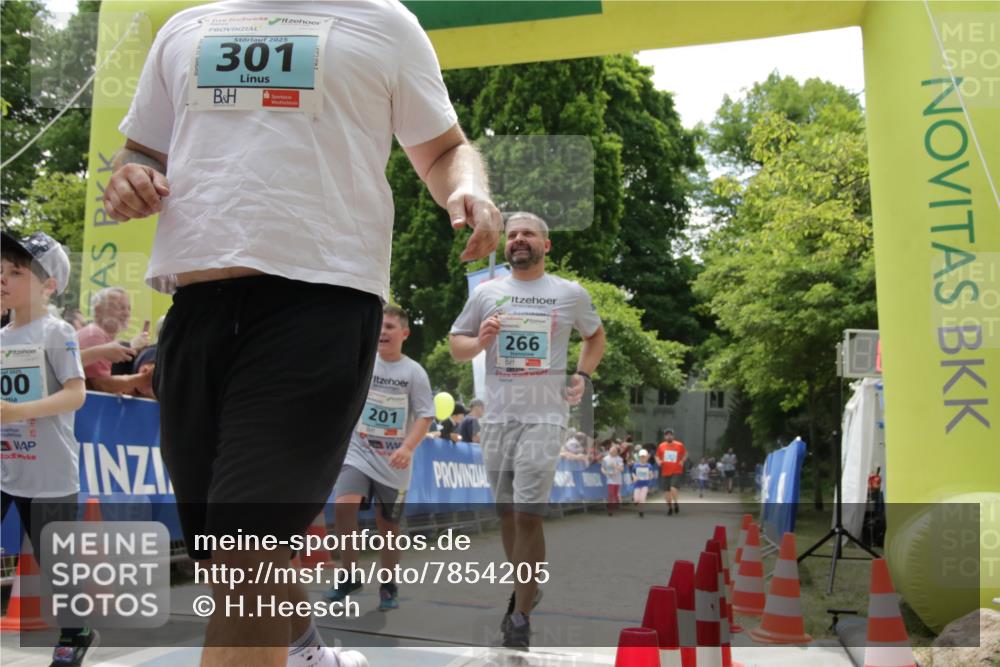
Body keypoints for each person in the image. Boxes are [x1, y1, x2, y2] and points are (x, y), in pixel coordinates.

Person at [103, 1, 502, 665]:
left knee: (246, 552)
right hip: (197, 308)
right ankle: (309, 649)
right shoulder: (187, 25)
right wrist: (129, 177)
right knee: (226, 558)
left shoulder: (384, 22)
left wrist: (469, 190)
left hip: (321, 303)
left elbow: (446, 148)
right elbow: (143, 148)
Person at [448, 212, 605, 649]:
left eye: (528, 234)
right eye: (513, 234)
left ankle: (519, 616)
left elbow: (595, 337)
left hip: (545, 416)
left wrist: (583, 375)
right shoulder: (487, 293)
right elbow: (456, 346)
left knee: (527, 513)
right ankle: (526, 589)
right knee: (507, 516)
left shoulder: (569, 294)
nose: (518, 239)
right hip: (497, 418)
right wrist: (480, 341)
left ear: (545, 245)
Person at [0, 231, 96, 666]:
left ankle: (76, 632)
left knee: (54, 562)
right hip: (6, 469)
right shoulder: (1, 336)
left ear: (49, 285)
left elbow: (77, 395)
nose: (3, 278)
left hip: (51, 475)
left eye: (16, 272)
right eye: (1, 270)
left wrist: (18, 413)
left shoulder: (57, 332)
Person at [324, 305, 434, 611]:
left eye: (389, 327)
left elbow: (426, 416)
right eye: (380, 327)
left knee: (388, 527)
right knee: (343, 506)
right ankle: (348, 574)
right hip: (359, 451)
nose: (382, 332)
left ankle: (388, 585)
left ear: (404, 333)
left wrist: (408, 447)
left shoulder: (414, 372)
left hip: (394, 462)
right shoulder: (363, 363)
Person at [76, 287, 152, 395]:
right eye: (119, 307)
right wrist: (144, 378)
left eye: (128, 308)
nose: (126, 313)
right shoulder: (94, 334)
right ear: (98, 310)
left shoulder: (101, 336)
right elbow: (102, 386)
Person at [655, 428, 687, 515]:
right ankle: (670, 508)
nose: (669, 436)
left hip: (676, 470)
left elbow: (685, 454)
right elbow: (657, 456)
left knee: (673, 488)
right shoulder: (661, 446)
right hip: (665, 471)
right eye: (667, 435)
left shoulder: (679, 445)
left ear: (673, 436)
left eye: (670, 434)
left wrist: (682, 461)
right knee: (667, 492)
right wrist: (658, 461)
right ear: (665, 436)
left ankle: (676, 503)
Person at [631, 450, 656, 517]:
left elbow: (651, 474)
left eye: (644, 457)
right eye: (641, 457)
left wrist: (650, 477)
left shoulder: (649, 465)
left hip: (645, 484)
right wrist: (634, 477)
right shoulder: (636, 465)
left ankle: (641, 511)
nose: (643, 458)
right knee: (636, 499)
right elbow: (633, 473)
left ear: (647, 457)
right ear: (639, 457)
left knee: (642, 498)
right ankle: (636, 501)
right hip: (637, 484)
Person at [602, 444, 624, 516]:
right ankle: (610, 509)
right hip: (610, 478)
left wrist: (614, 465)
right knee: (611, 494)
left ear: (616, 452)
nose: (611, 451)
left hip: (617, 479)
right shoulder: (605, 459)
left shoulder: (619, 459)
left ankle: (615, 506)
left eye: (613, 450)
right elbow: (602, 468)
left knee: (615, 494)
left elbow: (621, 469)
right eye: (611, 449)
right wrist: (606, 473)